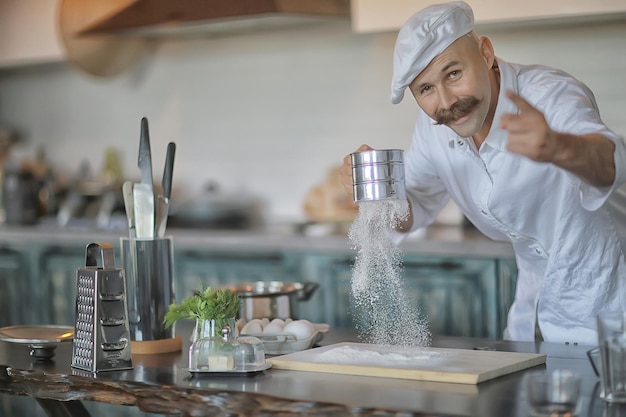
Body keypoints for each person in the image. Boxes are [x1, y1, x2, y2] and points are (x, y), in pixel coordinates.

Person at [339, 1, 626, 345]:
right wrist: (376, 192)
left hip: (612, 305)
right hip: (531, 314)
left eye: (454, 74)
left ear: (486, 53)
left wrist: (557, 147)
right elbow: (410, 213)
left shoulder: (548, 94)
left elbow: (614, 164)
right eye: (425, 89)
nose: (446, 102)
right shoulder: (433, 130)